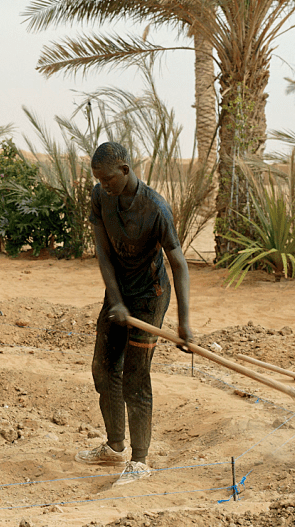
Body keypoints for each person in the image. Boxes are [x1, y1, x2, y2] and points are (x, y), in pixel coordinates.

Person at [76, 141, 193, 487]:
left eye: (108, 179)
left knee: (135, 378)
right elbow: (101, 249)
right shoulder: (101, 197)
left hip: (150, 296)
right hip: (119, 295)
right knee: (103, 367)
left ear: (125, 171)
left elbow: (179, 264)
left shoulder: (156, 209)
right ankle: (115, 447)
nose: (103, 186)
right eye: (98, 179)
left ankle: (139, 461)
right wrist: (115, 299)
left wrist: (185, 323)